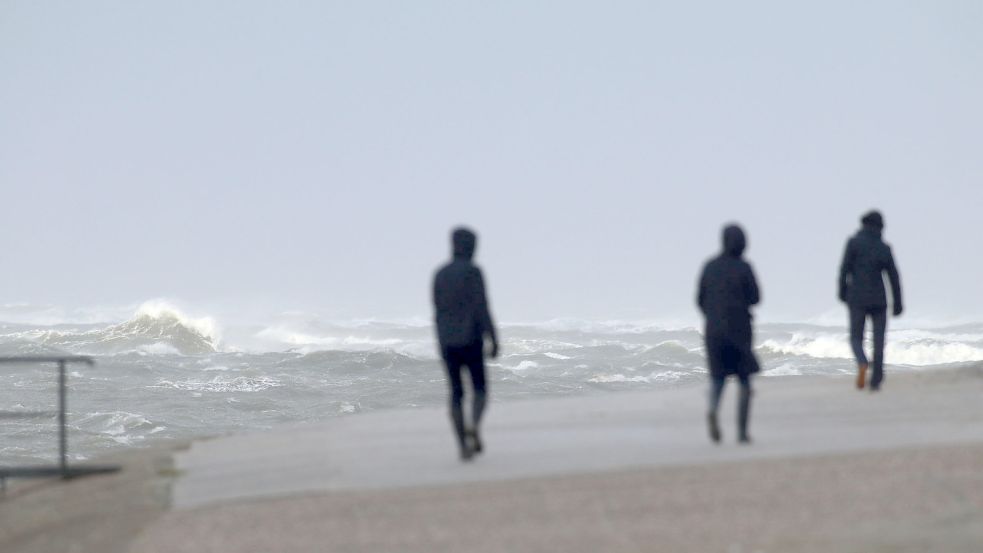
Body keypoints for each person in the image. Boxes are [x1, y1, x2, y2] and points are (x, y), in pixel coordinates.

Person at [433, 227, 499, 461]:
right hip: (471, 339)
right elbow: (482, 306)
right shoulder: (473, 272)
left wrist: (440, 342)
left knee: (456, 393)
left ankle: (462, 445)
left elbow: (438, 312)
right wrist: (494, 338)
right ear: (469, 247)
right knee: (480, 389)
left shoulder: (439, 274)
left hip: (447, 342)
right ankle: (474, 424)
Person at [697, 224, 761, 444]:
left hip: (713, 331)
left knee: (718, 379)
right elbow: (756, 298)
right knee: (744, 380)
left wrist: (713, 316)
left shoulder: (709, 266)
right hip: (739, 330)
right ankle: (742, 433)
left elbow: (700, 299)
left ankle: (713, 409)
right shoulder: (744, 267)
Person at [838, 210, 903, 391]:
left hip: (856, 298)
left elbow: (844, 270)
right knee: (879, 340)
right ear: (880, 227)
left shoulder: (853, 244)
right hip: (879, 300)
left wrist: (842, 292)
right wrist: (898, 302)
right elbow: (893, 276)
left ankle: (862, 361)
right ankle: (876, 380)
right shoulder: (884, 247)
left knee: (856, 337)